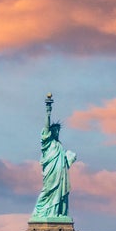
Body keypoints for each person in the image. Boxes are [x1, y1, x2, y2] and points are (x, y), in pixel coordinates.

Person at [31, 94, 77, 222]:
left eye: (58, 130)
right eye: (54, 130)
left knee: (60, 193)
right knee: (48, 191)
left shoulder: (58, 145)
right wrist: (48, 112)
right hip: (51, 173)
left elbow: (64, 161)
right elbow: (46, 127)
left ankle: (58, 213)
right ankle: (42, 212)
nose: (57, 132)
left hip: (61, 174)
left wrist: (69, 158)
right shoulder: (47, 143)